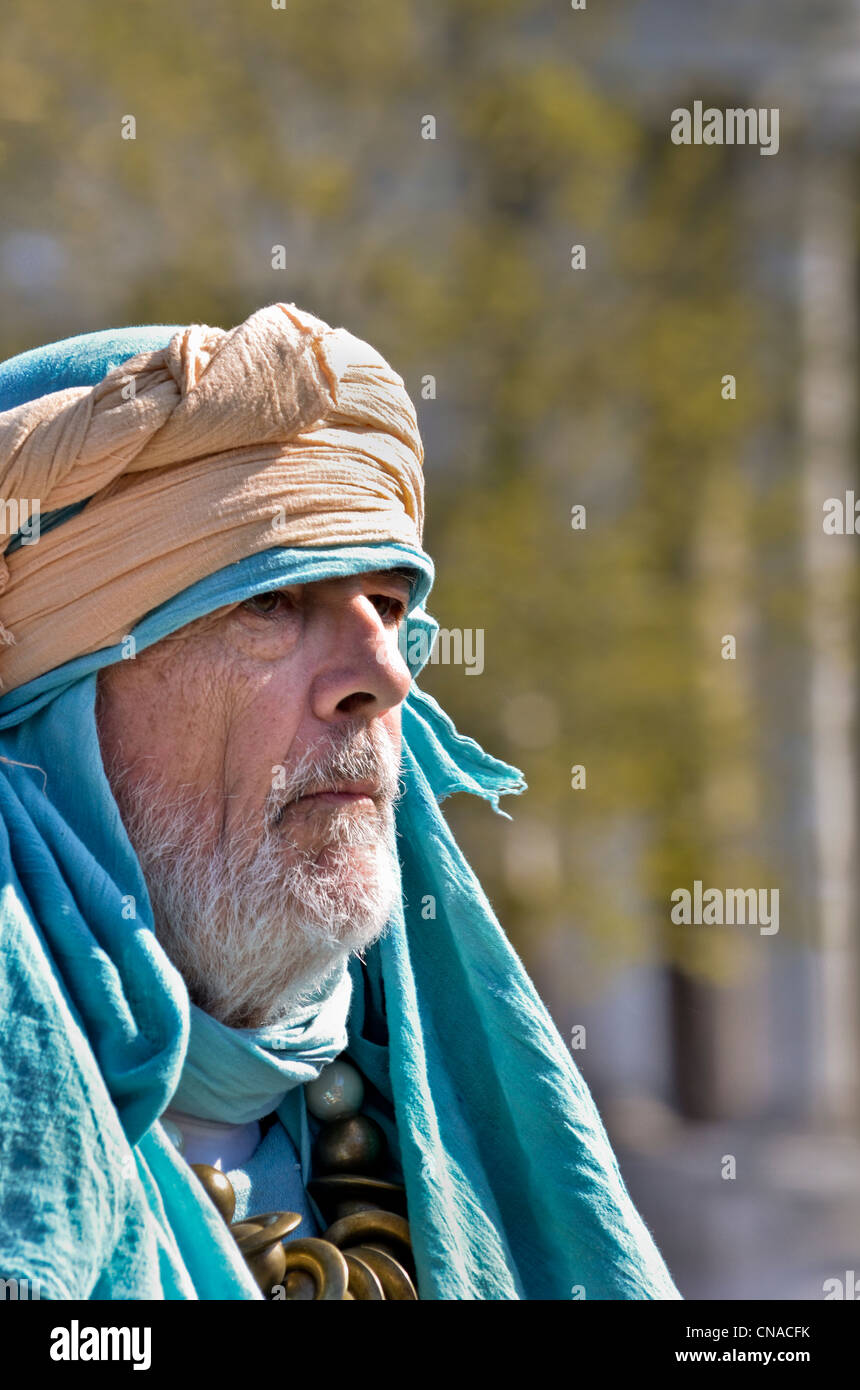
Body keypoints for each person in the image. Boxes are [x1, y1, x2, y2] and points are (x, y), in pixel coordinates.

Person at [0, 301, 679, 1300]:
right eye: (268, 603)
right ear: (51, 706)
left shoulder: (432, 1151)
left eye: (390, 607)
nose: (383, 674)